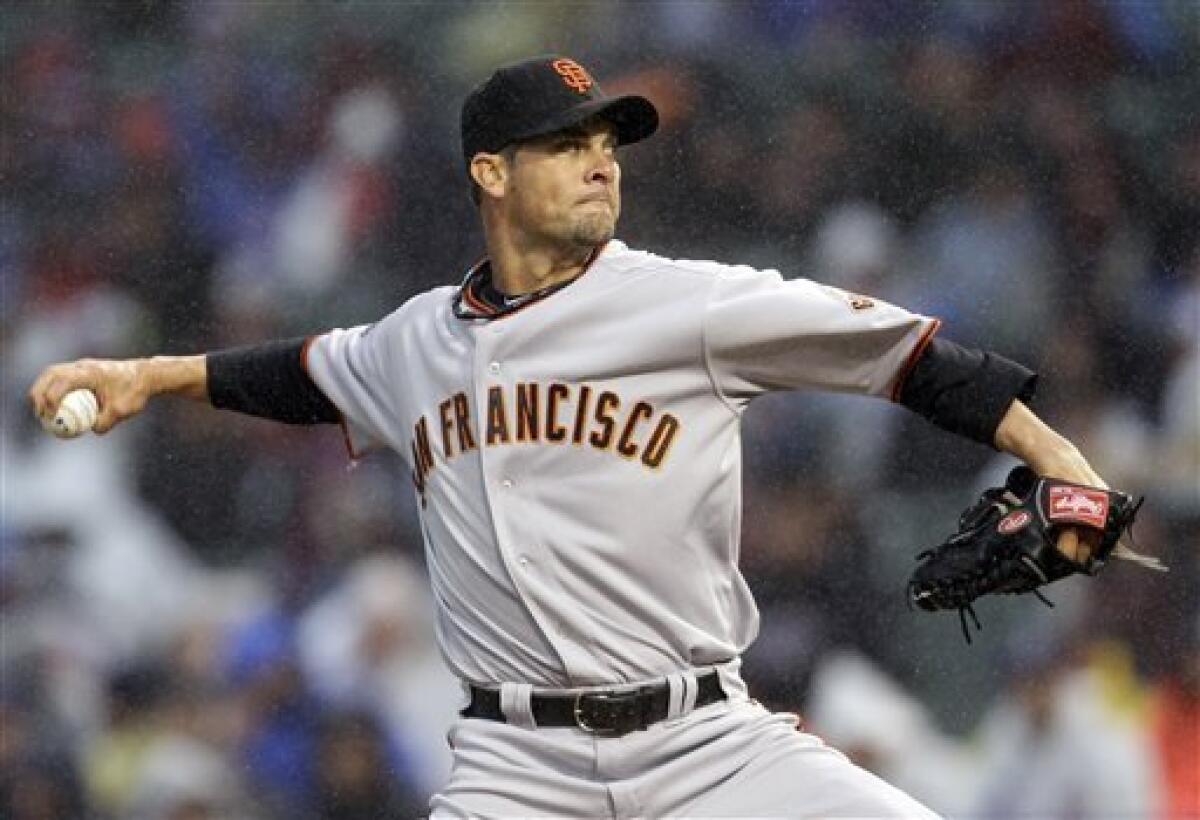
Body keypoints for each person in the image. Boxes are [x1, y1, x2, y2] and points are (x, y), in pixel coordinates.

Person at [30, 55, 1112, 818]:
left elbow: (908, 355)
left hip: (705, 745)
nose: (603, 161)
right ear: (489, 173)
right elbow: (298, 375)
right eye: (566, 144)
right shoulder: (413, 342)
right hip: (514, 766)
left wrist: (1061, 462)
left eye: (608, 142)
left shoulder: (688, 304)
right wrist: (145, 375)